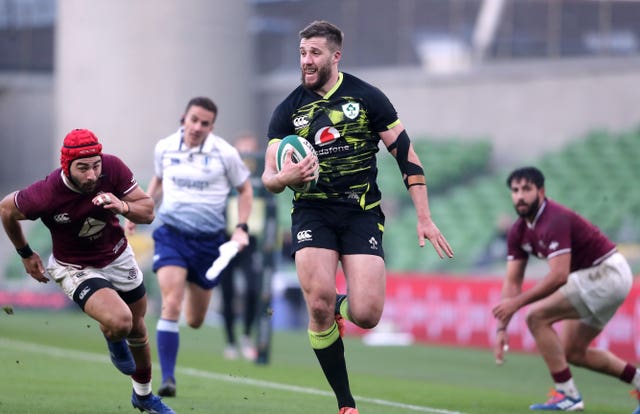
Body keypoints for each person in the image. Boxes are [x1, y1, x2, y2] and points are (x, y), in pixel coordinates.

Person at [261, 20, 454, 414]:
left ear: (335, 56)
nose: (306, 61)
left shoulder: (367, 98)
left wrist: (424, 217)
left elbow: (406, 155)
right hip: (312, 213)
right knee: (317, 304)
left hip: (361, 213)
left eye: (314, 53)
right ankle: (346, 404)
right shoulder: (288, 111)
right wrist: (286, 176)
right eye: (302, 53)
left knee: (366, 315)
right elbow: (269, 178)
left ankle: (340, 306)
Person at [0, 128, 174, 414]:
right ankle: (113, 336)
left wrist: (122, 205)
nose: (92, 174)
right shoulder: (46, 193)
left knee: (138, 325)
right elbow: (6, 209)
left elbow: (147, 211)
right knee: (121, 321)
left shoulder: (113, 168)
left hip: (118, 256)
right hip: (75, 267)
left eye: (95, 165)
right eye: (83, 168)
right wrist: (25, 253)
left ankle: (143, 396)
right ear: (66, 165)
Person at [126, 96, 253, 398]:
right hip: (172, 234)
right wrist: (137, 212)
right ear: (183, 118)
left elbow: (245, 189)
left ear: (211, 126)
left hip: (209, 242)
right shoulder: (165, 147)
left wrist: (241, 227)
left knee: (195, 320)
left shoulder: (226, 154)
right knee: (171, 302)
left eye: (204, 123)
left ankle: (183, 323)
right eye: (193, 120)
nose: (197, 127)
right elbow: (157, 181)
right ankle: (167, 379)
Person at [492, 166, 640, 412]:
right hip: (598, 277)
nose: (520, 196)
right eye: (515, 190)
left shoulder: (554, 218)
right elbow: (512, 281)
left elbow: (559, 275)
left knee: (536, 317)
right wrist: (501, 327)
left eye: (526, 189)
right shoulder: (518, 231)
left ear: (541, 191)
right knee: (573, 351)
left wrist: (517, 304)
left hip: (605, 273)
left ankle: (568, 395)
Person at [219, 133, 263, 361]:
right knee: (226, 292)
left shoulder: (261, 175)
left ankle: (246, 336)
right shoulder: (226, 174)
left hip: (252, 238)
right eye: (241, 151)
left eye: (250, 151)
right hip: (227, 236)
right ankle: (230, 341)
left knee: (253, 289)